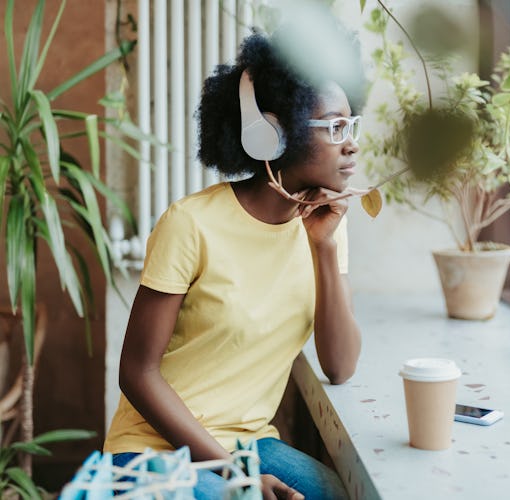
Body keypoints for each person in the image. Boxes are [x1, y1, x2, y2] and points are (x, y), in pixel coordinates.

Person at [103, 26, 367, 500]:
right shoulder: (190, 224)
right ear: (271, 133)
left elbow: (341, 365)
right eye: (333, 127)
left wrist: (324, 249)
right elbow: (137, 372)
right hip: (151, 451)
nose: (350, 144)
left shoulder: (328, 226)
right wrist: (235, 476)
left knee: (337, 493)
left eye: (351, 126)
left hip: (250, 445)